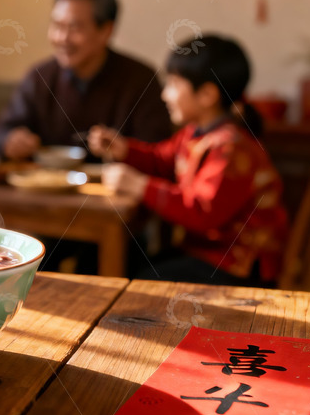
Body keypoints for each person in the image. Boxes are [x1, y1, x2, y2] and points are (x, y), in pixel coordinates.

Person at [89, 35, 288, 287]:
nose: (165, 95)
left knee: (142, 282)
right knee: (126, 263)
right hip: (206, 254)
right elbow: (161, 160)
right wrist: (124, 149)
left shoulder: (231, 146)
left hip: (238, 266)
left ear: (206, 94)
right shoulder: (194, 132)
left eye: (173, 84)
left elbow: (202, 212)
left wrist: (140, 186)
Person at [0, 0, 172, 161]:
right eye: (57, 26)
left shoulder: (140, 79)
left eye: (74, 27)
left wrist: (123, 150)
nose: (62, 38)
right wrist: (10, 141)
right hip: (48, 184)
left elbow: (158, 151)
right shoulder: (39, 76)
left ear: (106, 31)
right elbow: (3, 131)